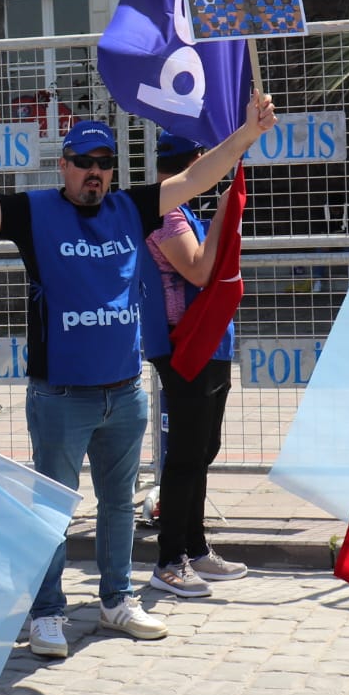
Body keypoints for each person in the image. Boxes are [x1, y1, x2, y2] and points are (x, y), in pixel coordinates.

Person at [0, 97, 275, 659]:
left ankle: (116, 600)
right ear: (63, 166)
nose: (94, 170)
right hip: (61, 394)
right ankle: (46, 611)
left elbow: (197, 175)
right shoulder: (35, 210)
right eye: (83, 160)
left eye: (104, 161)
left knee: (119, 504)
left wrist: (245, 135)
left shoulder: (133, 206)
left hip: (124, 391)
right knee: (52, 506)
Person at [141, 132, 249, 599]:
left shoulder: (182, 211)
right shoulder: (166, 212)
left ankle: (195, 546)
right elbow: (199, 270)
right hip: (183, 347)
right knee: (186, 454)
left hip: (210, 345)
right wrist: (226, 208)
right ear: (198, 161)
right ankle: (168, 560)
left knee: (203, 448)